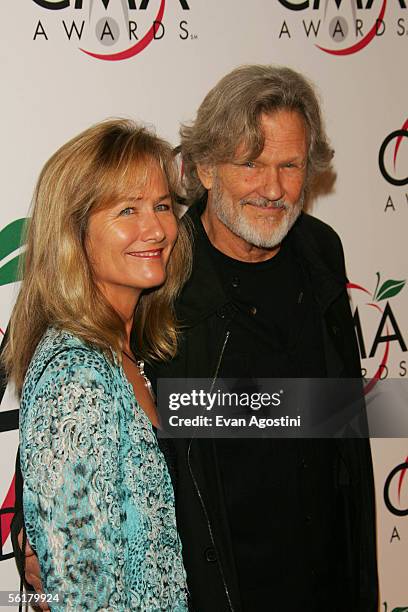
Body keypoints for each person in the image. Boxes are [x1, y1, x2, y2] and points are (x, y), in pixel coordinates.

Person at [13, 65, 378, 611]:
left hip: (325, 580)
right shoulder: (161, 275)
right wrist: (33, 531)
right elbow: (79, 425)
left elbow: (342, 424)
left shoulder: (321, 251)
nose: (274, 188)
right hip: (223, 592)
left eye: (290, 165)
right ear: (204, 168)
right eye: (250, 163)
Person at [4, 119, 191, 610]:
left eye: (163, 206)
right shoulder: (76, 375)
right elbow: (84, 592)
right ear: (75, 232)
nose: (156, 228)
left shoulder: (128, 352)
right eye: (127, 209)